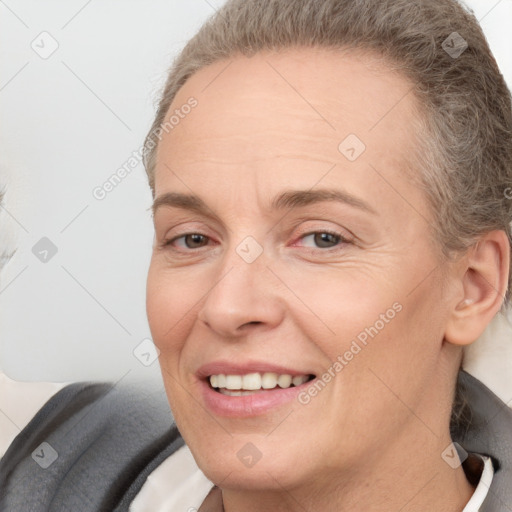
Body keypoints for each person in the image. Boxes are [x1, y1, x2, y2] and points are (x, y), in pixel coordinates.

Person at [1, 0, 512, 510]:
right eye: (193, 238)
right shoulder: (37, 461)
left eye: (322, 238)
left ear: (473, 285)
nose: (227, 306)